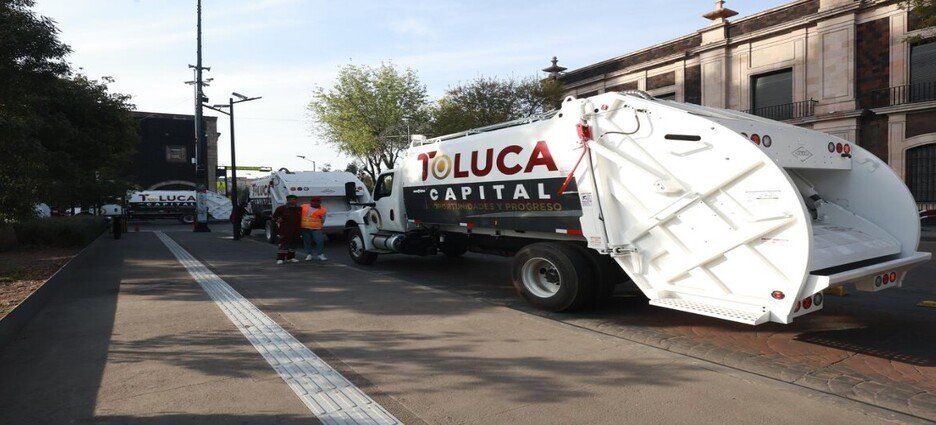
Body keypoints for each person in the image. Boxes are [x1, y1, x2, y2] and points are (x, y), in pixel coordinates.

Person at [272, 195, 302, 264]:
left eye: (294, 199)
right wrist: (278, 220)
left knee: (293, 245)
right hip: (285, 230)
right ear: (287, 200)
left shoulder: (299, 209)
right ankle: (280, 258)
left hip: (296, 230)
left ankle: (291, 257)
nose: (293, 201)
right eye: (291, 199)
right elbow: (274, 218)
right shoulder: (281, 208)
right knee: (284, 244)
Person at [301, 196, 328, 261]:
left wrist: (320, 225)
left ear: (320, 202)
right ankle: (309, 254)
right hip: (304, 227)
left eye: (317, 202)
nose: (315, 203)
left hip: (316, 228)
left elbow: (323, 219)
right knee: (307, 241)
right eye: (313, 201)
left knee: (319, 241)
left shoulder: (323, 210)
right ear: (311, 202)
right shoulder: (303, 206)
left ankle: (320, 255)